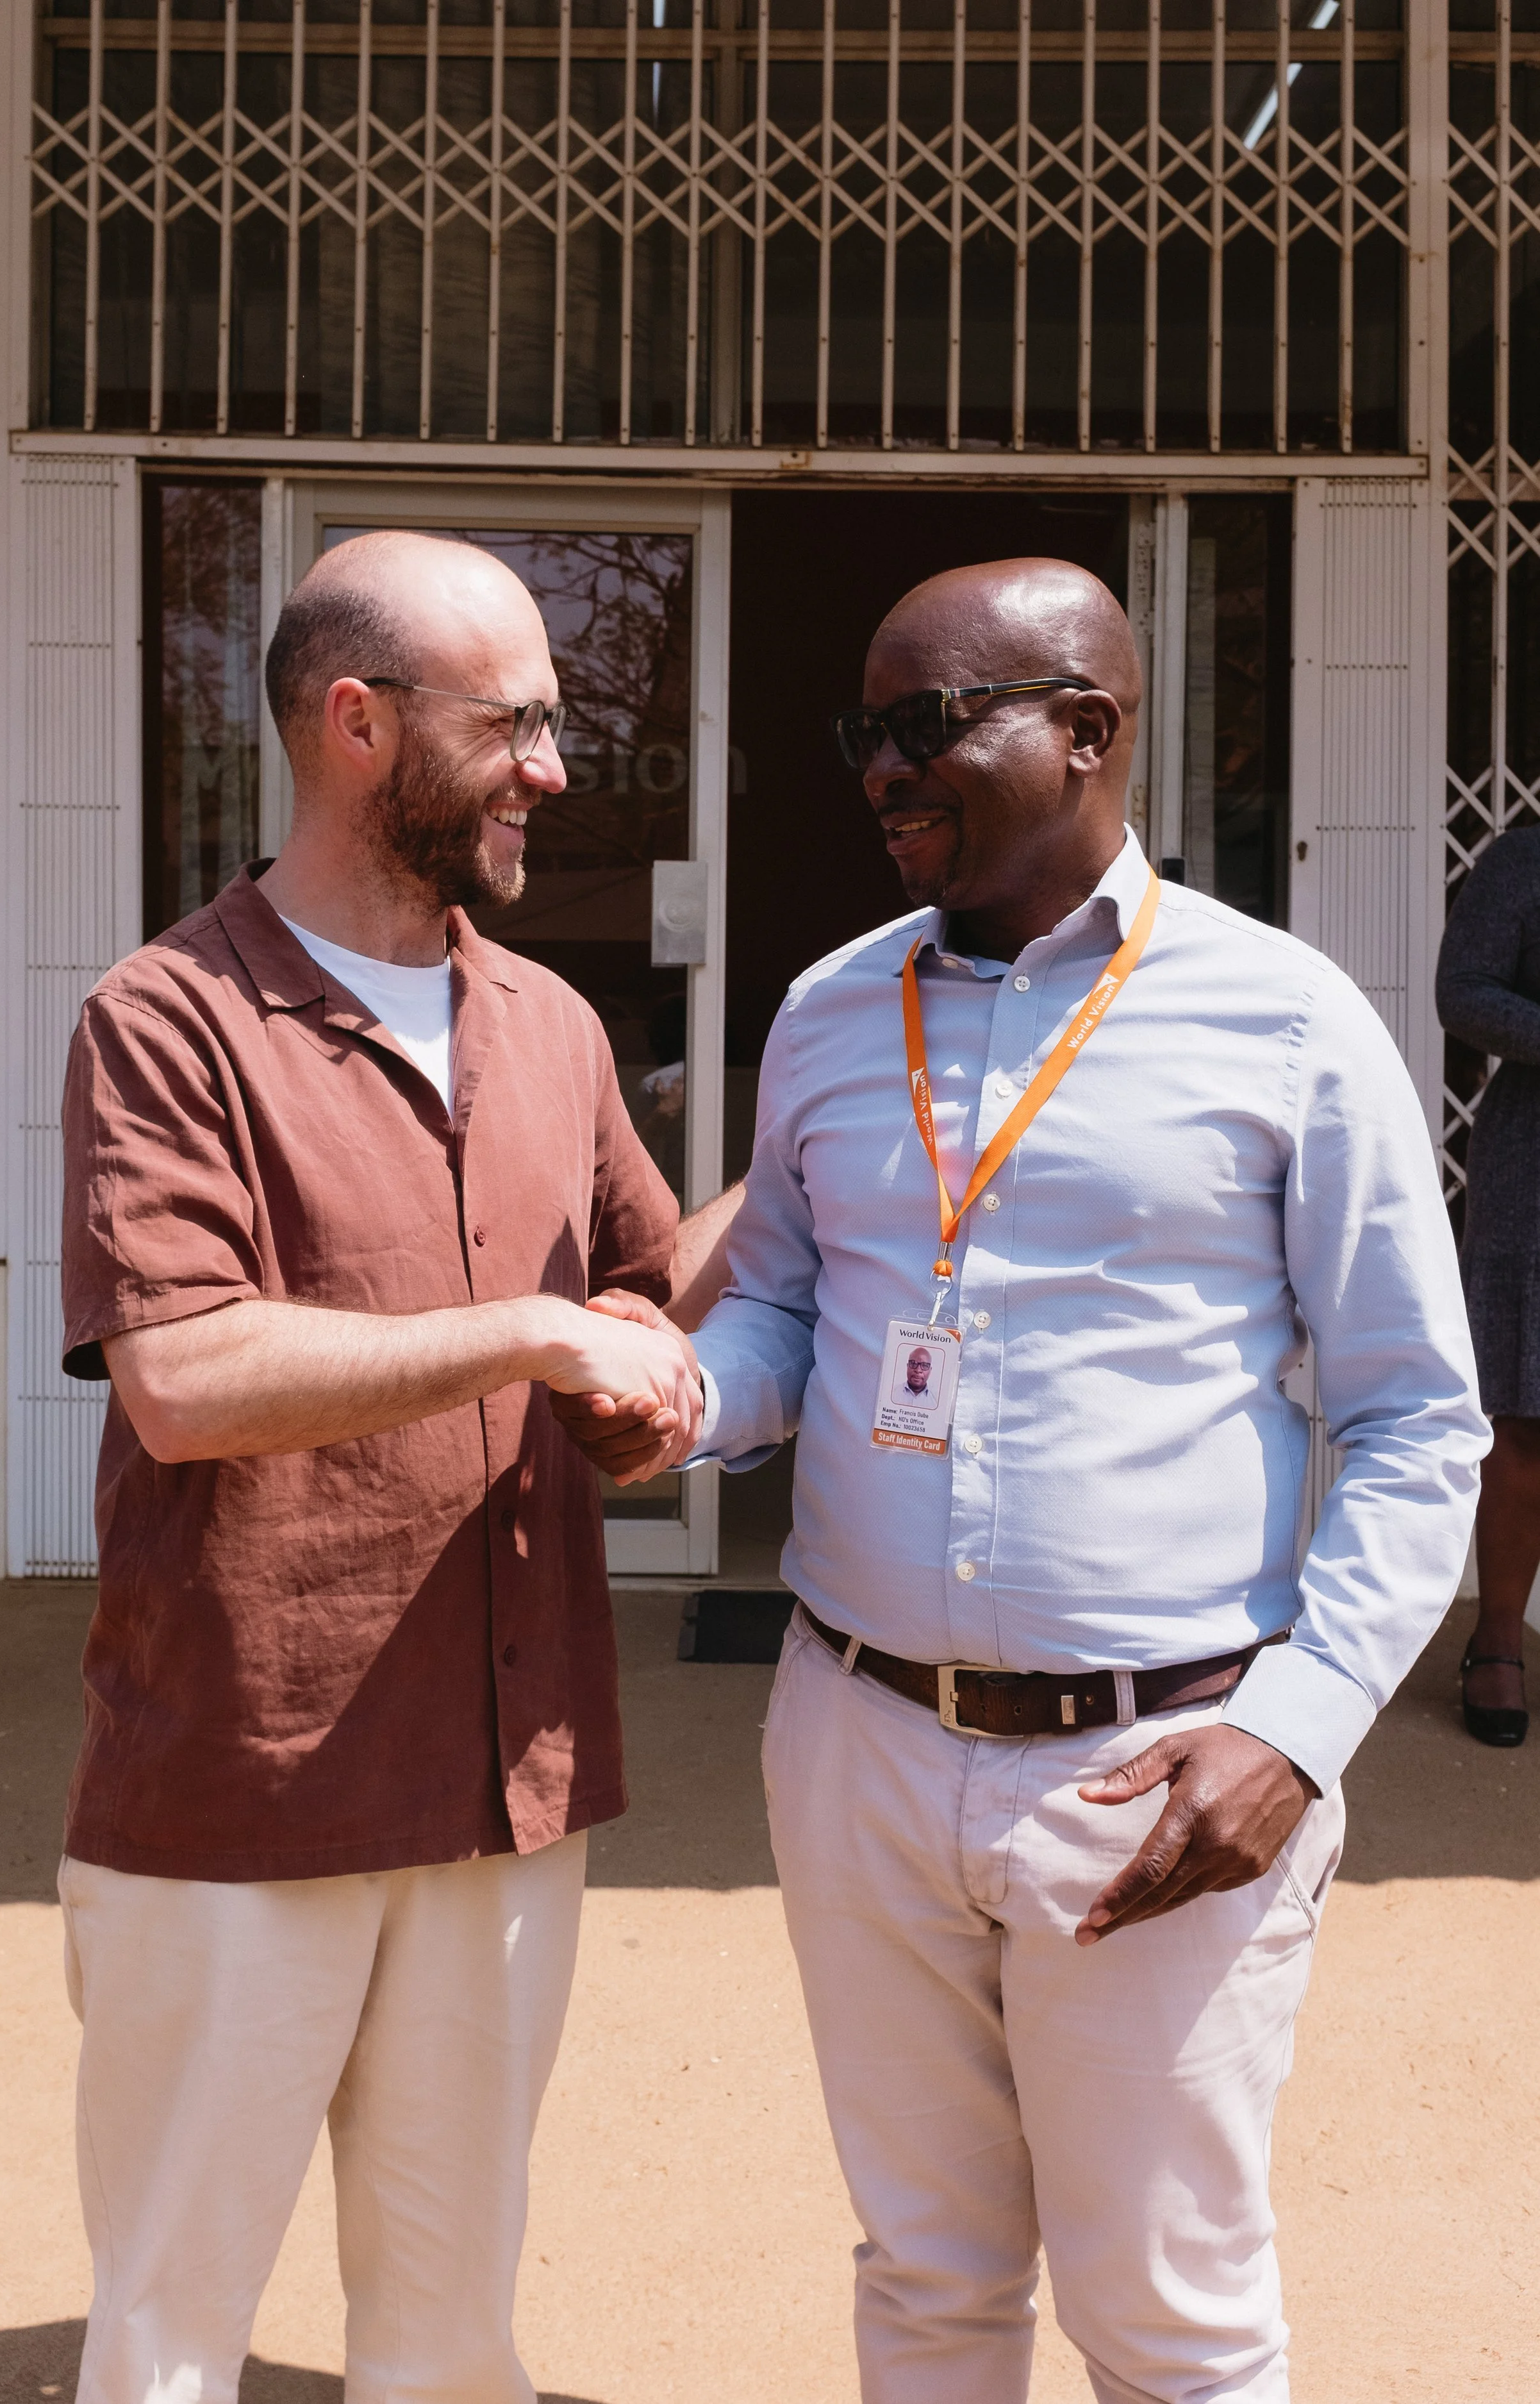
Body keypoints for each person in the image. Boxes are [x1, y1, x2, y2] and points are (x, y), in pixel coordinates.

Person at [557, 560, 1487, 2403]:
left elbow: (1414, 1420)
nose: (880, 773)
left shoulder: (1285, 1021)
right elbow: (798, 1322)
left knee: (1168, 2320)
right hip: (857, 1744)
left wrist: (1293, 1728)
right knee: (925, 2272)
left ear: (1085, 727)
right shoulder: (831, 1011)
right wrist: (685, 1403)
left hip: (1154, 1771)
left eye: (924, 726)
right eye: (860, 735)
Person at [56, 530, 712, 2404]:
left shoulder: (553, 1021)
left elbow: (642, 1292)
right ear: (356, 725)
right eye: (513, 722)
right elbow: (183, 1373)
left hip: (510, 1782)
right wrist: (531, 1333)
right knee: (173, 2340)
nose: (555, 767)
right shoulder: (169, 1017)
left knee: (449, 2343)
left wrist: (824, 1166)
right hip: (240, 1800)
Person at [1437, 823, 1540, 1746]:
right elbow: (1461, 993)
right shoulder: (1524, 858)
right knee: (1525, 1412)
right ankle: (1499, 1639)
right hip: (1535, 1170)